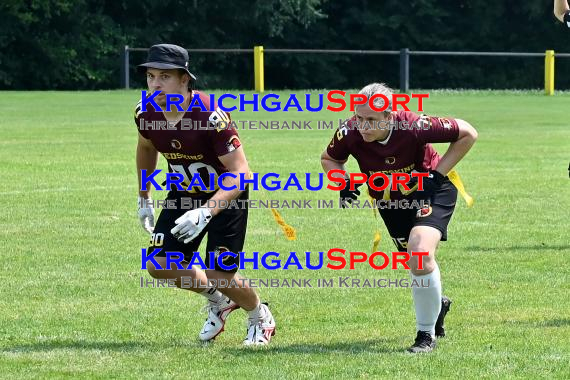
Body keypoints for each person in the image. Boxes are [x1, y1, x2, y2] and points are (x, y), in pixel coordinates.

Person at [134, 44, 275, 346]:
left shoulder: (211, 115)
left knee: (219, 273)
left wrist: (206, 212)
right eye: (150, 76)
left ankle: (258, 315)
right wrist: (143, 195)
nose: (155, 85)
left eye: (164, 77)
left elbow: (241, 172)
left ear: (184, 79)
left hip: (225, 195)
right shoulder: (145, 112)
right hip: (183, 192)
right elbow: (146, 146)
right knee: (160, 265)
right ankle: (220, 301)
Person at [321, 83, 477, 353]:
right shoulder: (349, 131)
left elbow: (468, 134)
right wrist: (342, 180)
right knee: (416, 262)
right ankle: (437, 303)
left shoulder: (415, 125)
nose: (363, 126)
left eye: (371, 120)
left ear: (390, 116)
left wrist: (436, 175)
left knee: (420, 253)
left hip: (430, 191)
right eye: (359, 117)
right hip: (390, 199)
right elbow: (329, 158)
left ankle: (425, 336)